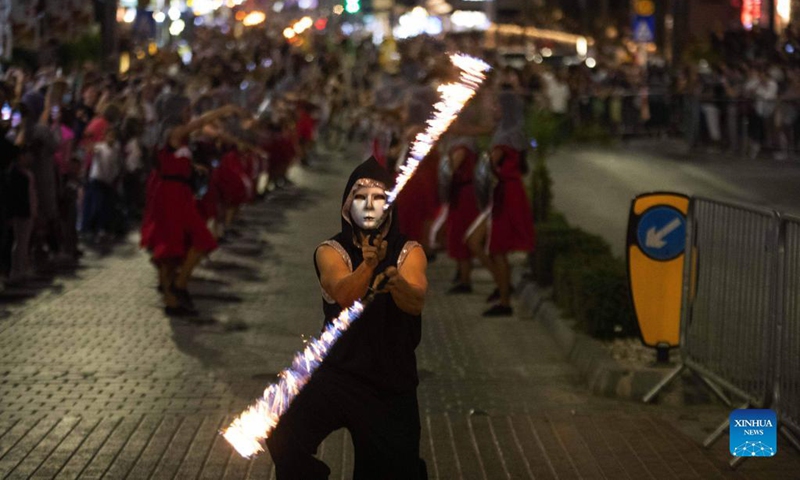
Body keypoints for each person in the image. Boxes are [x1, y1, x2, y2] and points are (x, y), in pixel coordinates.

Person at [267, 157, 428, 480]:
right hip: (338, 373)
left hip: (389, 381)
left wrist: (394, 279)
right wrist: (368, 267)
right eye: (360, 197)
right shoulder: (330, 250)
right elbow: (343, 294)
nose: (369, 205)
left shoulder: (409, 251)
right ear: (346, 206)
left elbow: (415, 302)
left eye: (378, 197)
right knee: (280, 427)